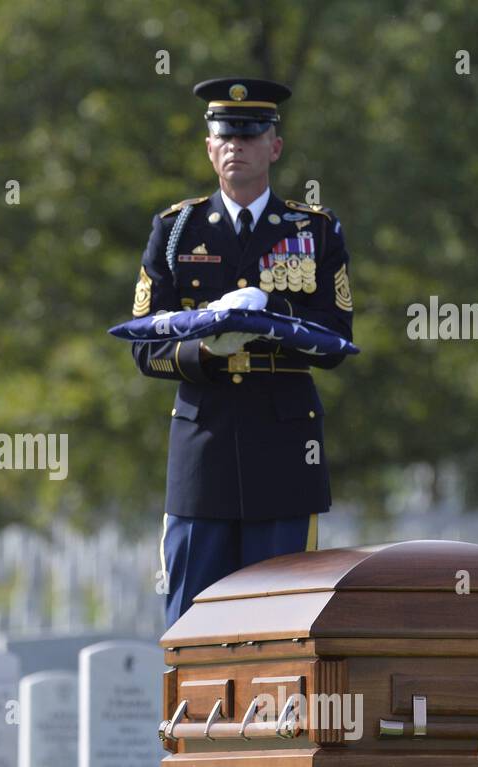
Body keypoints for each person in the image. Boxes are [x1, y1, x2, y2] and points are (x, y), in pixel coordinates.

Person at [129, 77, 355, 630]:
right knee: (190, 619)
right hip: (202, 451)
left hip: (283, 451)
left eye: (250, 135)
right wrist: (205, 349)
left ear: (274, 146)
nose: (236, 146)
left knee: (280, 624)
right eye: (223, 135)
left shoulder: (314, 230)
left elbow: (335, 336)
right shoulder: (175, 230)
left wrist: (271, 309)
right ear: (208, 146)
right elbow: (145, 343)